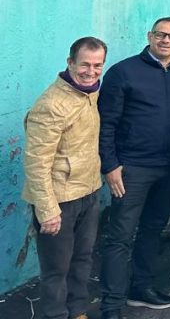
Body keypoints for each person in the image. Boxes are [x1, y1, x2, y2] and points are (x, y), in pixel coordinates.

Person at [98, 17, 170, 317]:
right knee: (120, 235)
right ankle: (112, 304)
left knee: (152, 229)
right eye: (160, 35)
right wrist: (110, 165)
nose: (166, 41)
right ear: (149, 36)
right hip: (132, 168)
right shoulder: (123, 72)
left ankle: (141, 287)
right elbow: (106, 123)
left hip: (169, 167)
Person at [23, 37, 106, 319]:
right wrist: (47, 210)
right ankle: (56, 315)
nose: (91, 71)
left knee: (82, 260)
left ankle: (77, 310)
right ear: (70, 62)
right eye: (84, 64)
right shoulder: (51, 105)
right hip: (59, 201)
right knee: (56, 269)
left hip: (88, 192)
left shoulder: (90, 92)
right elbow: (36, 162)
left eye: (97, 65)